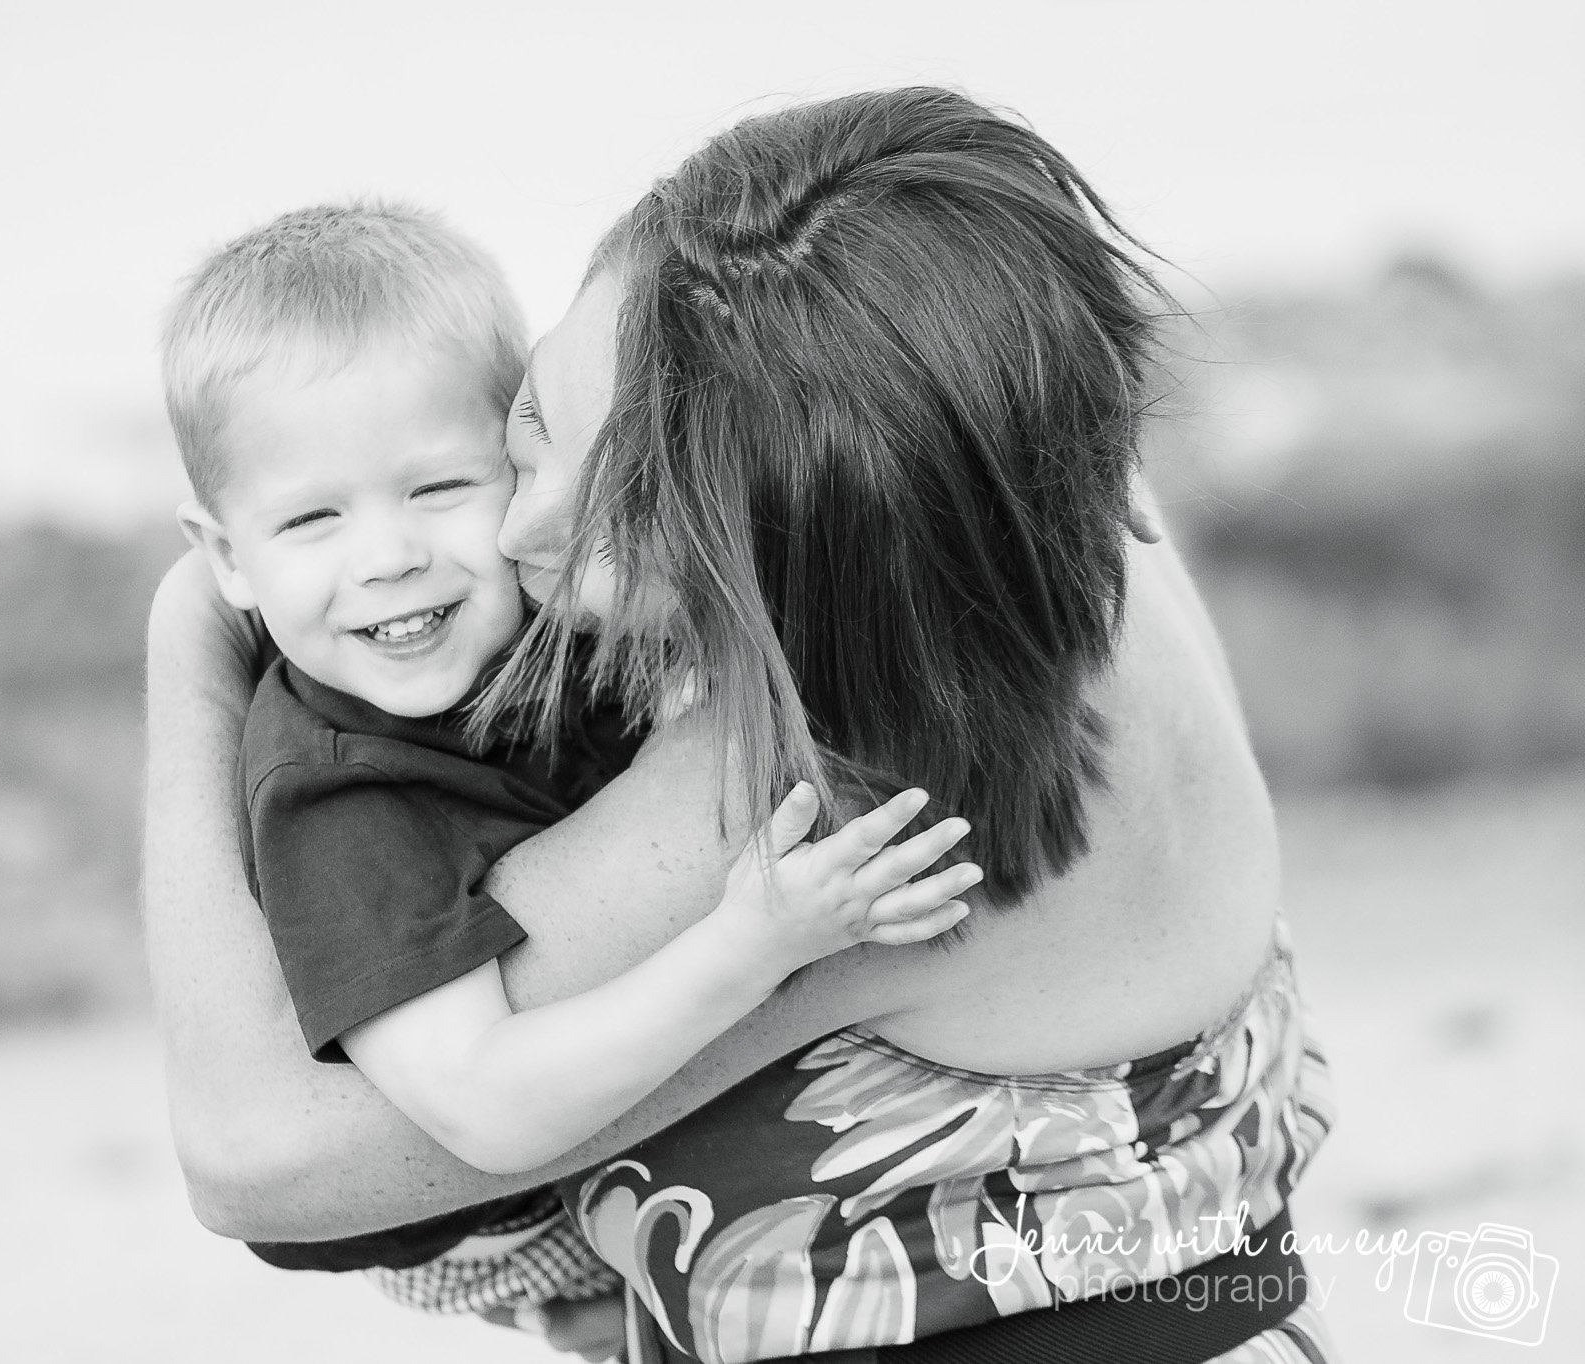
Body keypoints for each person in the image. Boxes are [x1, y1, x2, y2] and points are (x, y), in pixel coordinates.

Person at [144, 88, 1337, 1363]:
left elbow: (261, 1156)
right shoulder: (1036, 492)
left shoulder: (834, 783)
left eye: (622, 521)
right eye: (533, 425)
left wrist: (194, 637)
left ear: (790, 548)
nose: (512, 532)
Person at [159, 201, 978, 1323]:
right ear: (224, 559)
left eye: (439, 488)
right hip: (482, 1218)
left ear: (525, 460)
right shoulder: (341, 802)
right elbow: (485, 1112)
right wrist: (753, 942)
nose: (389, 556)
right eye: (310, 520)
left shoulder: (535, 614)